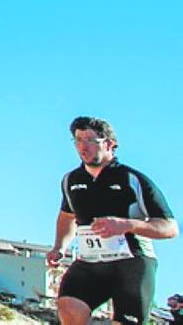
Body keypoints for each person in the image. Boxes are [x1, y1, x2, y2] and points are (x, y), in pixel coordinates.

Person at [46, 116, 177, 325]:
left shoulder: (131, 179)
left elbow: (170, 227)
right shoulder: (71, 180)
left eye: (90, 140)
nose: (83, 146)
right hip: (91, 262)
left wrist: (127, 225)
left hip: (131, 262)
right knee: (69, 307)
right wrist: (59, 247)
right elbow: (67, 215)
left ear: (109, 144)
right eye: (78, 140)